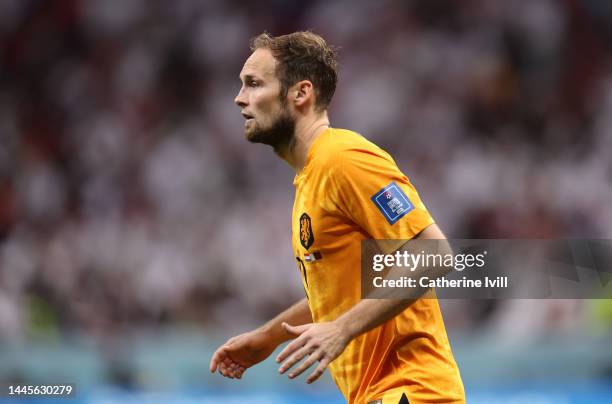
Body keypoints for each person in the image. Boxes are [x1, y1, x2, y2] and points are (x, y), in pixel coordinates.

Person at [209, 31, 465, 404]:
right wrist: (268, 337)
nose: (240, 98)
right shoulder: (312, 179)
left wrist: (341, 329)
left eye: (253, 83)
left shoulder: (344, 158)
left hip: (410, 391)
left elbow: (433, 253)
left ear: (301, 93)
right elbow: (346, 290)